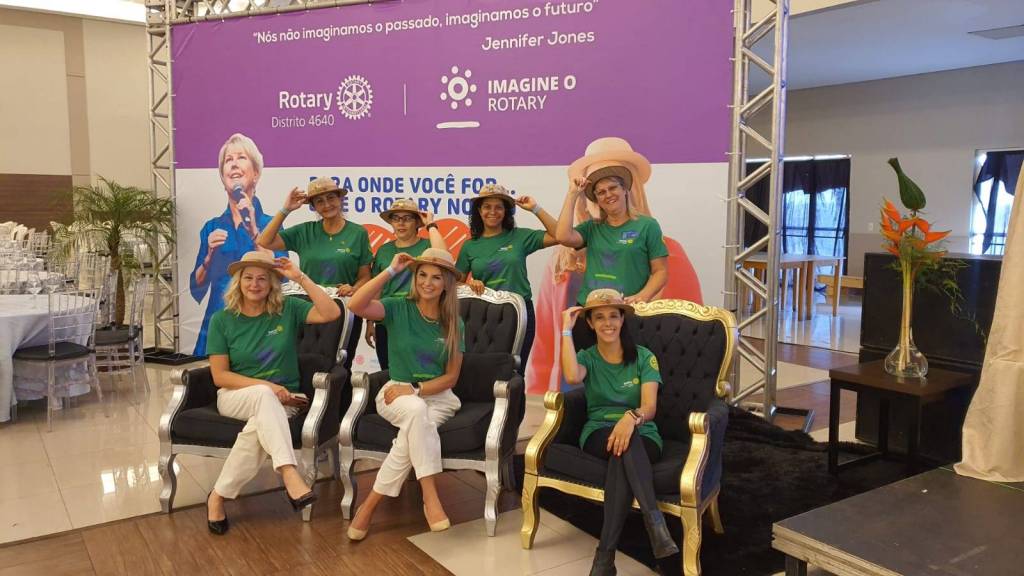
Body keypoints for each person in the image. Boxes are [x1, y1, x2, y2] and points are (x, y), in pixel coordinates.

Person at [204, 251, 342, 535]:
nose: (254, 284)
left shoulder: (288, 309)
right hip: (236, 396)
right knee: (264, 396)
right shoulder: (222, 320)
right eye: (248, 278)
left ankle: (217, 497)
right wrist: (269, 387)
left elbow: (332, 313)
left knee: (255, 430)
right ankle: (290, 473)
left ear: (272, 284)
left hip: (283, 401)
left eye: (262, 279)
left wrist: (300, 278)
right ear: (238, 282)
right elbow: (220, 376)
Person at [345, 248, 465, 540]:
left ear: (447, 284)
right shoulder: (398, 307)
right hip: (394, 393)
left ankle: (368, 506)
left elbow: (451, 377)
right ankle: (430, 496)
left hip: (437, 397)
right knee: (416, 412)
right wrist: (391, 270)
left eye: (436, 277)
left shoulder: (454, 323)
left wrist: (416, 389)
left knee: (411, 433)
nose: (427, 282)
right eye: (422, 275)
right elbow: (355, 304)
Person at [561, 289, 678, 574]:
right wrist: (565, 330)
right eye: (599, 317)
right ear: (590, 323)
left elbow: (649, 407)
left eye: (613, 316)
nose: (608, 323)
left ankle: (605, 557)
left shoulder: (644, 357)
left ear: (623, 319)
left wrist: (630, 418)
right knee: (621, 444)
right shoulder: (587, 357)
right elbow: (572, 376)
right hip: (598, 431)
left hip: (643, 432)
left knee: (623, 448)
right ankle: (655, 525)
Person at [257, 176, 372, 368]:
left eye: (331, 198)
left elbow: (365, 277)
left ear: (340, 199)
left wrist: (353, 288)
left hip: (343, 309)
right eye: (319, 201)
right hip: (307, 308)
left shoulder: (358, 233)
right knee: (301, 363)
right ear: (313, 207)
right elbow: (264, 241)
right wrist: (286, 209)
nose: (327, 205)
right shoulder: (304, 231)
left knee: (340, 368)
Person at [190, 133, 284, 357]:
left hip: (260, 324)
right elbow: (196, 287)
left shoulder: (271, 224)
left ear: (256, 173)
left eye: (241, 157)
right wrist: (208, 258)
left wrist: (254, 231)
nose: (233, 164)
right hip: (217, 324)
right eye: (228, 160)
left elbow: (282, 274)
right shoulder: (211, 227)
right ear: (222, 178)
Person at [455, 184, 558, 373]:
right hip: (483, 315)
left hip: (520, 311)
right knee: (484, 372)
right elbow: (454, 283)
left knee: (515, 372)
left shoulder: (519, 237)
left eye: (499, 207)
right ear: (479, 211)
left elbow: (559, 235)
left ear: (506, 212)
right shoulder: (470, 246)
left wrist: (535, 208)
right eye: (487, 207)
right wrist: (469, 285)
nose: (492, 212)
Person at [365, 198, 449, 369]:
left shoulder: (427, 246)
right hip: (387, 317)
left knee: (419, 369)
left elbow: (443, 256)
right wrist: (370, 322)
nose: (401, 223)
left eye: (407, 218)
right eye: (396, 218)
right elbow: (377, 288)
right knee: (388, 370)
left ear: (417, 223)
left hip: (419, 316)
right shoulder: (383, 250)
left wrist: (431, 225)